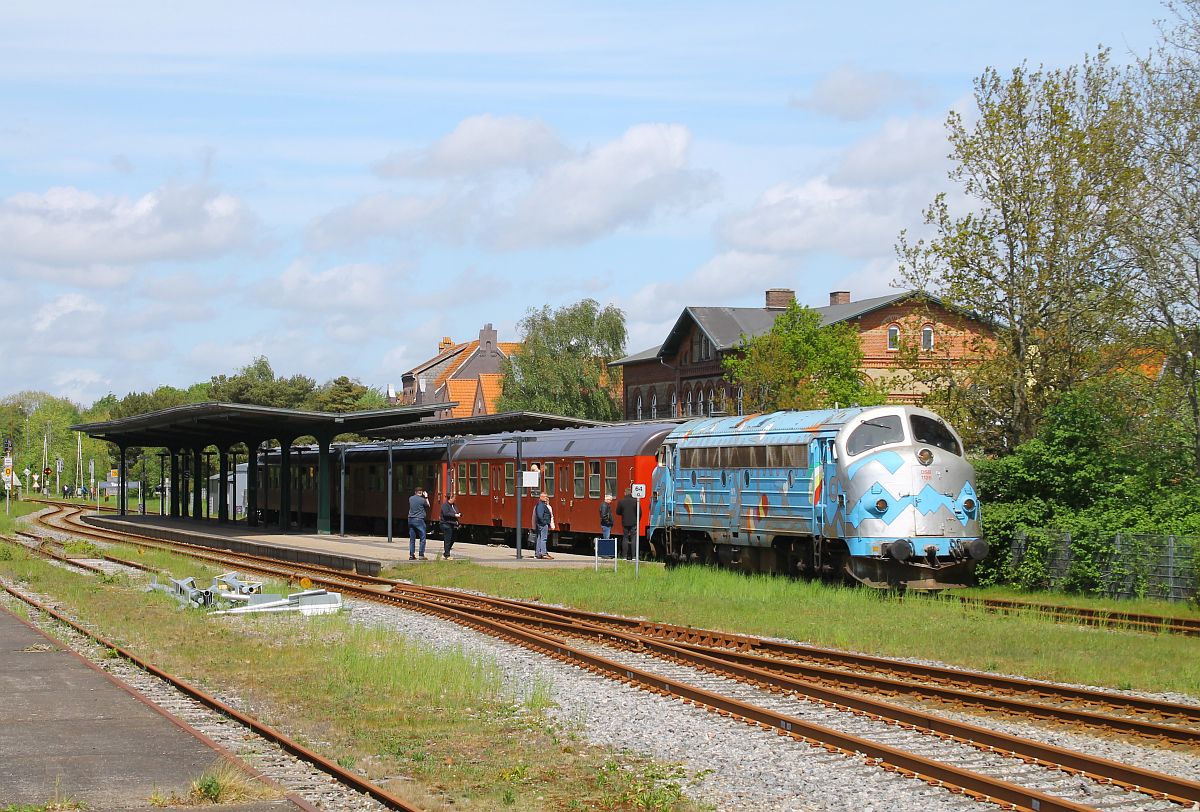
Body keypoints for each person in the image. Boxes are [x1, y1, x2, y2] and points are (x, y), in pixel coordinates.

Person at [408, 486, 430, 560]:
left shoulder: (411, 498)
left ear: (415, 492)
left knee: (412, 539)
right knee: (423, 537)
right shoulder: (422, 500)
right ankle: (421, 555)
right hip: (419, 520)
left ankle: (411, 555)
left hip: (410, 519)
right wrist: (426, 497)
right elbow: (428, 505)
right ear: (421, 492)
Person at [616, 487, 638, 560]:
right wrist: (637, 520)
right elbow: (639, 513)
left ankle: (624, 556)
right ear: (631, 493)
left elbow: (618, 512)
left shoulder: (621, 502)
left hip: (625, 522)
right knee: (633, 538)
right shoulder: (635, 501)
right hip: (634, 522)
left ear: (625, 493)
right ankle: (634, 556)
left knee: (625, 538)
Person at [533, 491, 554, 559]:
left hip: (540, 524)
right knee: (543, 539)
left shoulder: (540, 505)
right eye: (545, 497)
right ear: (541, 497)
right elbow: (539, 515)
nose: (547, 498)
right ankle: (543, 553)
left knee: (539, 538)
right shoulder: (541, 505)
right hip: (543, 524)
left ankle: (538, 553)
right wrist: (544, 522)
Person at [440, 494, 461, 559]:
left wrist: (459, 514)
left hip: (453, 524)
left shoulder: (453, 505)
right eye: (454, 498)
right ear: (450, 498)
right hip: (446, 524)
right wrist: (454, 515)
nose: (455, 499)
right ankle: (447, 555)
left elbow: (457, 511)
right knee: (447, 539)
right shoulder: (445, 505)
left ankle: (446, 552)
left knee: (453, 538)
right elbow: (446, 514)